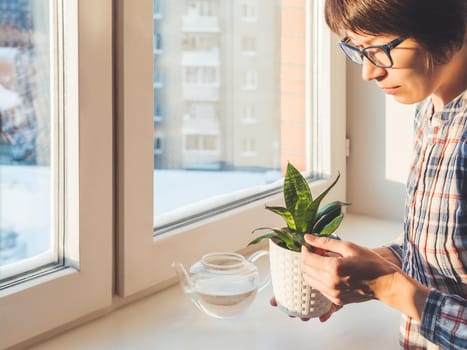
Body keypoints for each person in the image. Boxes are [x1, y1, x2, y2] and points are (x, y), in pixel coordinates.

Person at [287, 0, 466, 349]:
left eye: (379, 49)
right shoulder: (431, 109)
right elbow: (448, 255)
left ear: (440, 23)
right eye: (358, 49)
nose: (369, 72)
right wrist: (371, 266)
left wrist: (388, 287)